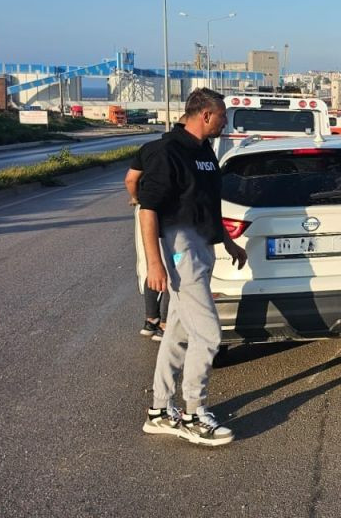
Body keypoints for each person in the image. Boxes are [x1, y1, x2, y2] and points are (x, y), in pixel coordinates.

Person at [137, 88, 247, 447]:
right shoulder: (167, 151)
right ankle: (193, 414)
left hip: (202, 248)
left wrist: (228, 241)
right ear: (205, 115)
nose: (225, 121)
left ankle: (159, 410)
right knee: (209, 335)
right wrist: (155, 262)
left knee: (180, 334)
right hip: (179, 250)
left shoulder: (204, 152)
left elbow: (206, 204)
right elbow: (148, 208)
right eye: (222, 116)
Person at [125, 141, 168, 341]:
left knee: (149, 264)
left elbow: (130, 180)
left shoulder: (148, 148)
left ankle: (151, 319)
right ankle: (165, 323)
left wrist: (135, 198)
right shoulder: (186, 150)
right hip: (170, 214)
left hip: (143, 211)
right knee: (172, 264)